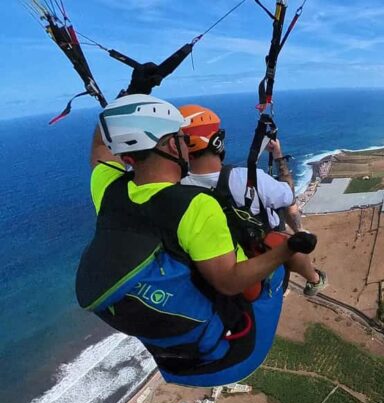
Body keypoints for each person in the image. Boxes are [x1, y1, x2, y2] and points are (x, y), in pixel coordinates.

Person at [75, 94, 317, 387]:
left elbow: (99, 148)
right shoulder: (195, 206)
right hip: (233, 354)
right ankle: (313, 278)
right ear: (169, 145)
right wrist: (288, 249)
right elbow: (229, 282)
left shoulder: (109, 189)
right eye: (179, 138)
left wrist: (131, 96)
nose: (185, 146)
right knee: (276, 247)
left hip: (172, 357)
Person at [178, 104, 327, 296]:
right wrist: (278, 155)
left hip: (211, 261)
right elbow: (288, 196)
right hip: (257, 252)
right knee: (284, 239)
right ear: (216, 142)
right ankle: (314, 279)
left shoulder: (178, 187)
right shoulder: (246, 179)